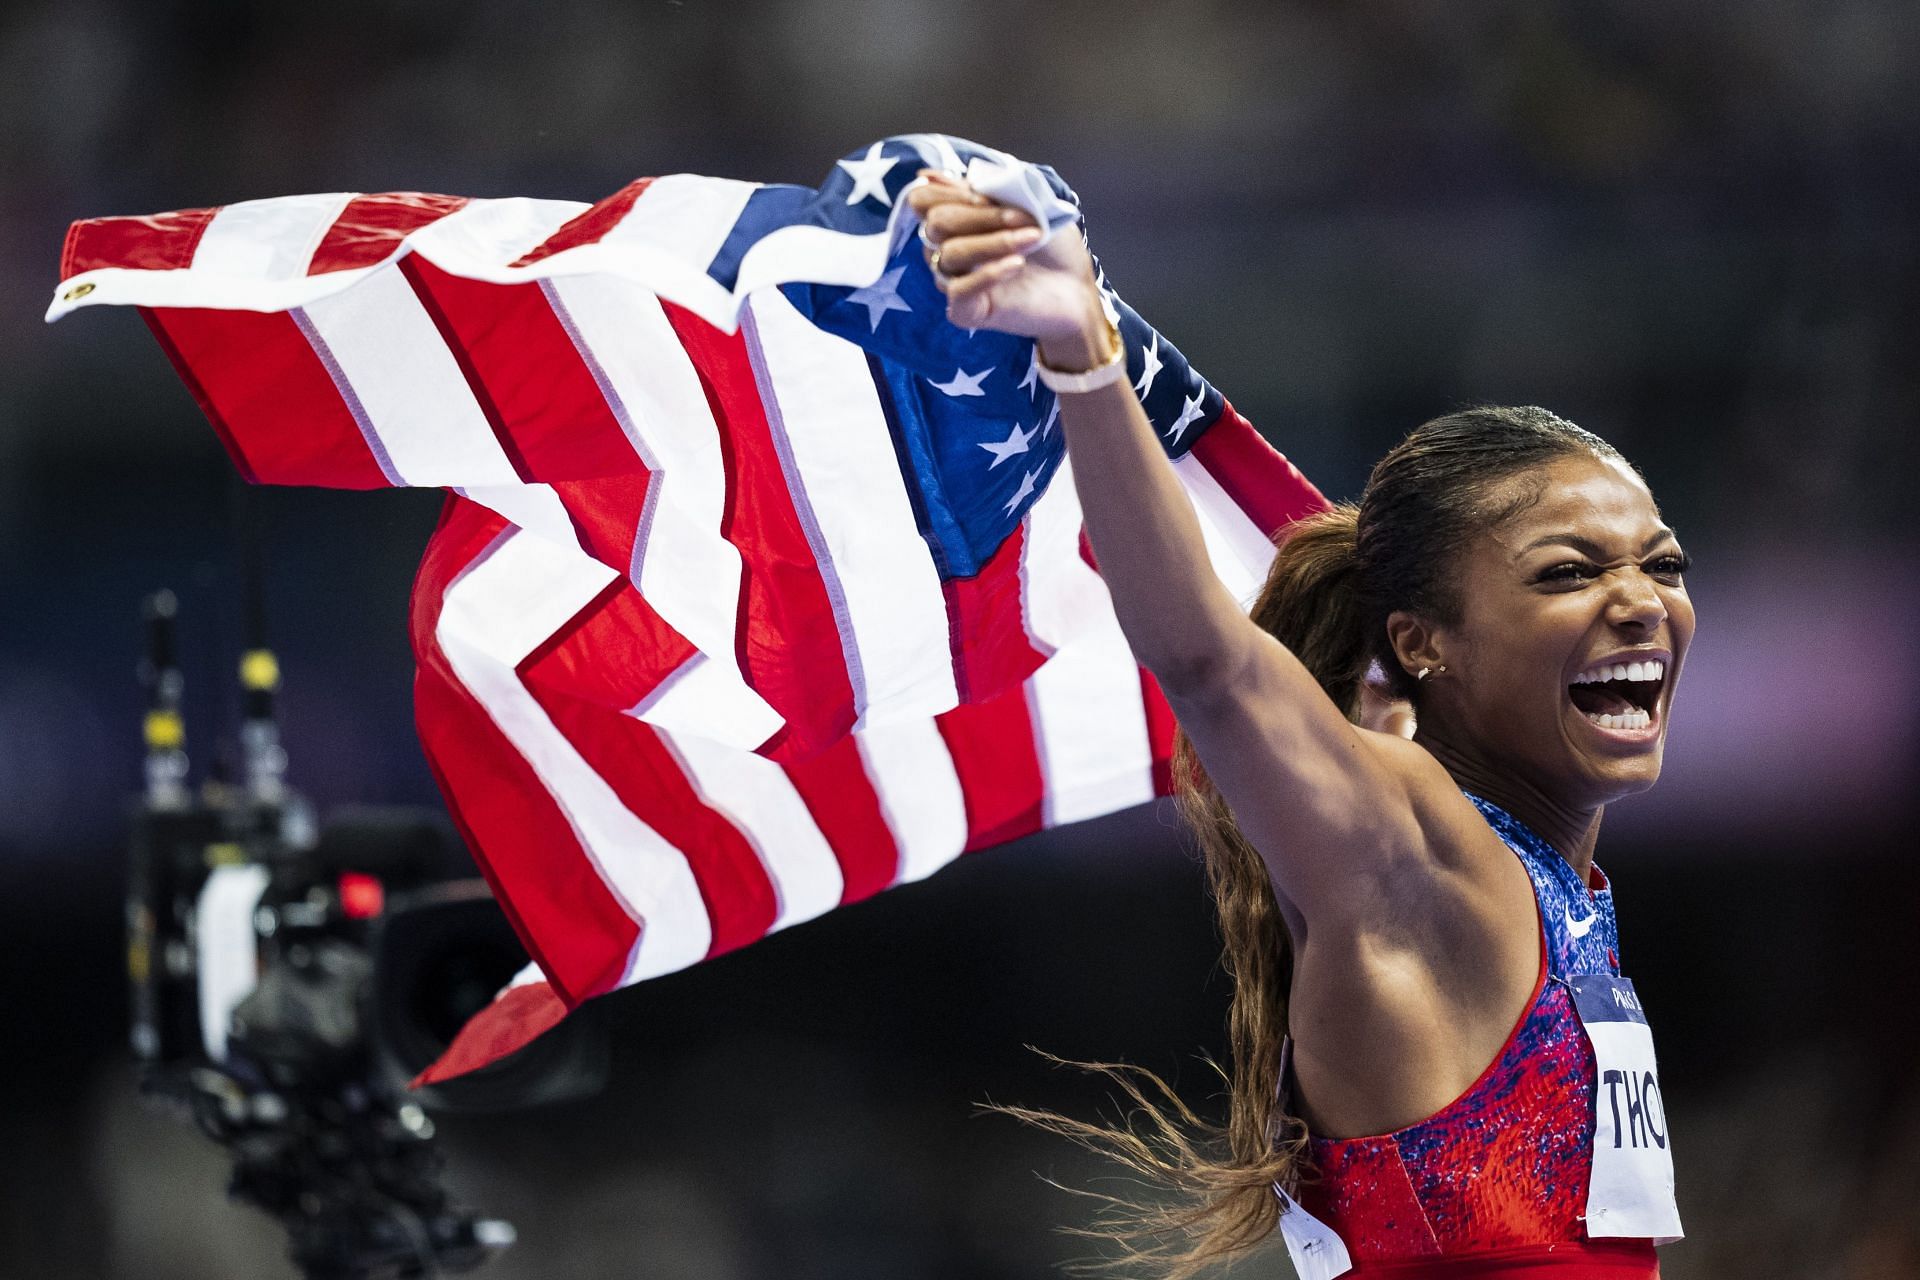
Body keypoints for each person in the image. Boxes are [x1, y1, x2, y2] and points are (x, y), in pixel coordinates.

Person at [907, 171, 1694, 1279]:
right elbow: (1210, 663)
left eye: (1663, 562)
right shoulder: (1412, 848)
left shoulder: (1550, 888)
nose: (1641, 598)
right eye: (1570, 570)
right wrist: (1085, 361)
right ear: (1426, 643)